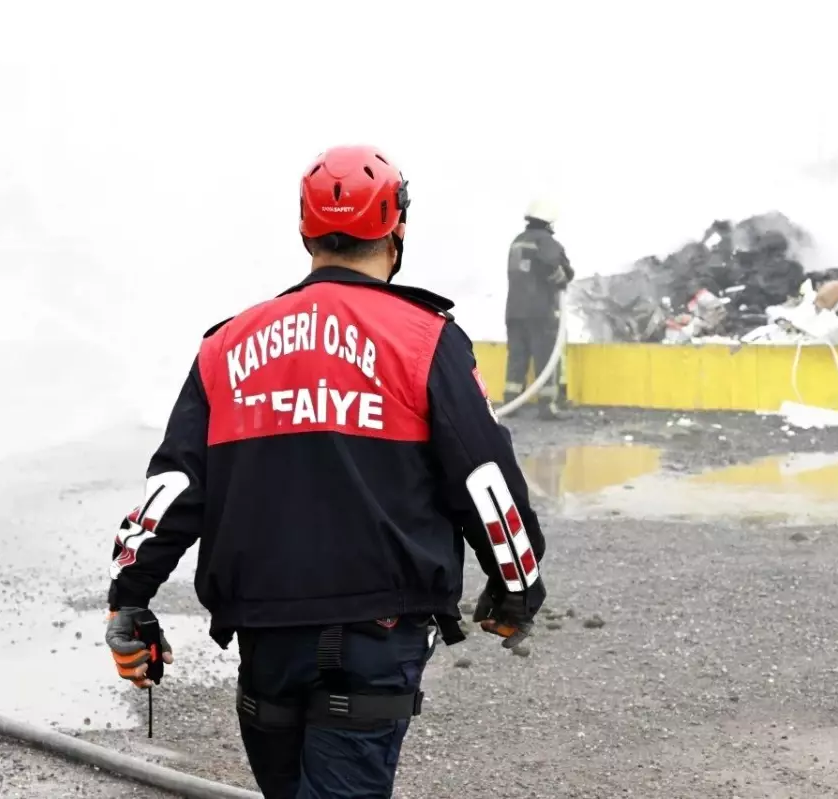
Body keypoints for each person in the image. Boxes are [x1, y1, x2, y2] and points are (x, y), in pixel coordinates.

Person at [103, 144, 547, 799]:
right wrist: (517, 587)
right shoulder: (423, 338)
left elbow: (171, 491)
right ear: (396, 229)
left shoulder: (226, 346)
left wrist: (129, 599)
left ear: (306, 231)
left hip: (265, 642)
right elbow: (484, 481)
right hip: (377, 637)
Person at [504, 199, 574, 420]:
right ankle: (548, 406)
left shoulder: (517, 241)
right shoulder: (546, 242)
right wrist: (563, 278)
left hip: (514, 311)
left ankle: (511, 402)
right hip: (540, 312)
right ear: (548, 222)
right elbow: (557, 268)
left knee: (517, 357)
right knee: (545, 357)